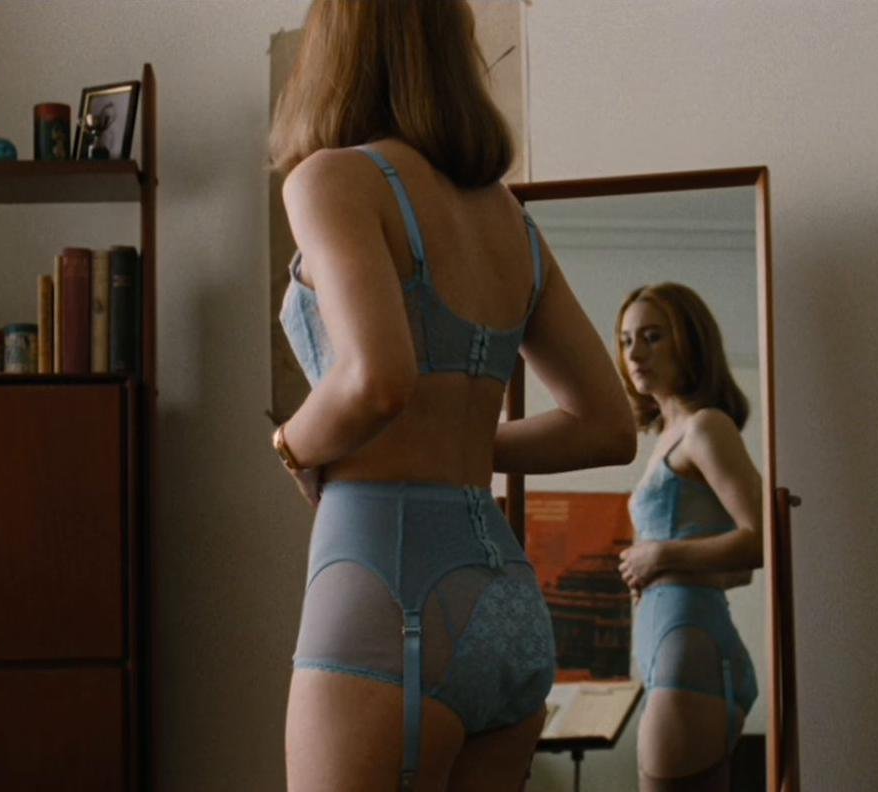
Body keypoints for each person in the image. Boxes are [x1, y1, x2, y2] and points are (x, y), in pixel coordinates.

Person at [267, 2, 635, 789]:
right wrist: (463, 444)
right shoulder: (507, 218)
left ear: (334, 47)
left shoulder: (329, 180)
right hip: (506, 602)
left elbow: (376, 379)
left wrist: (291, 443)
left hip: (386, 587)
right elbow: (607, 425)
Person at [613, 283, 764, 791]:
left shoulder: (706, 428)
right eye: (626, 340)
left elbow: (761, 540)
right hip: (673, 647)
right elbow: (736, 570)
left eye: (652, 337)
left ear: (689, 342)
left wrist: (659, 555)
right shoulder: (667, 437)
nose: (635, 353)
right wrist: (664, 564)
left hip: (691, 651)